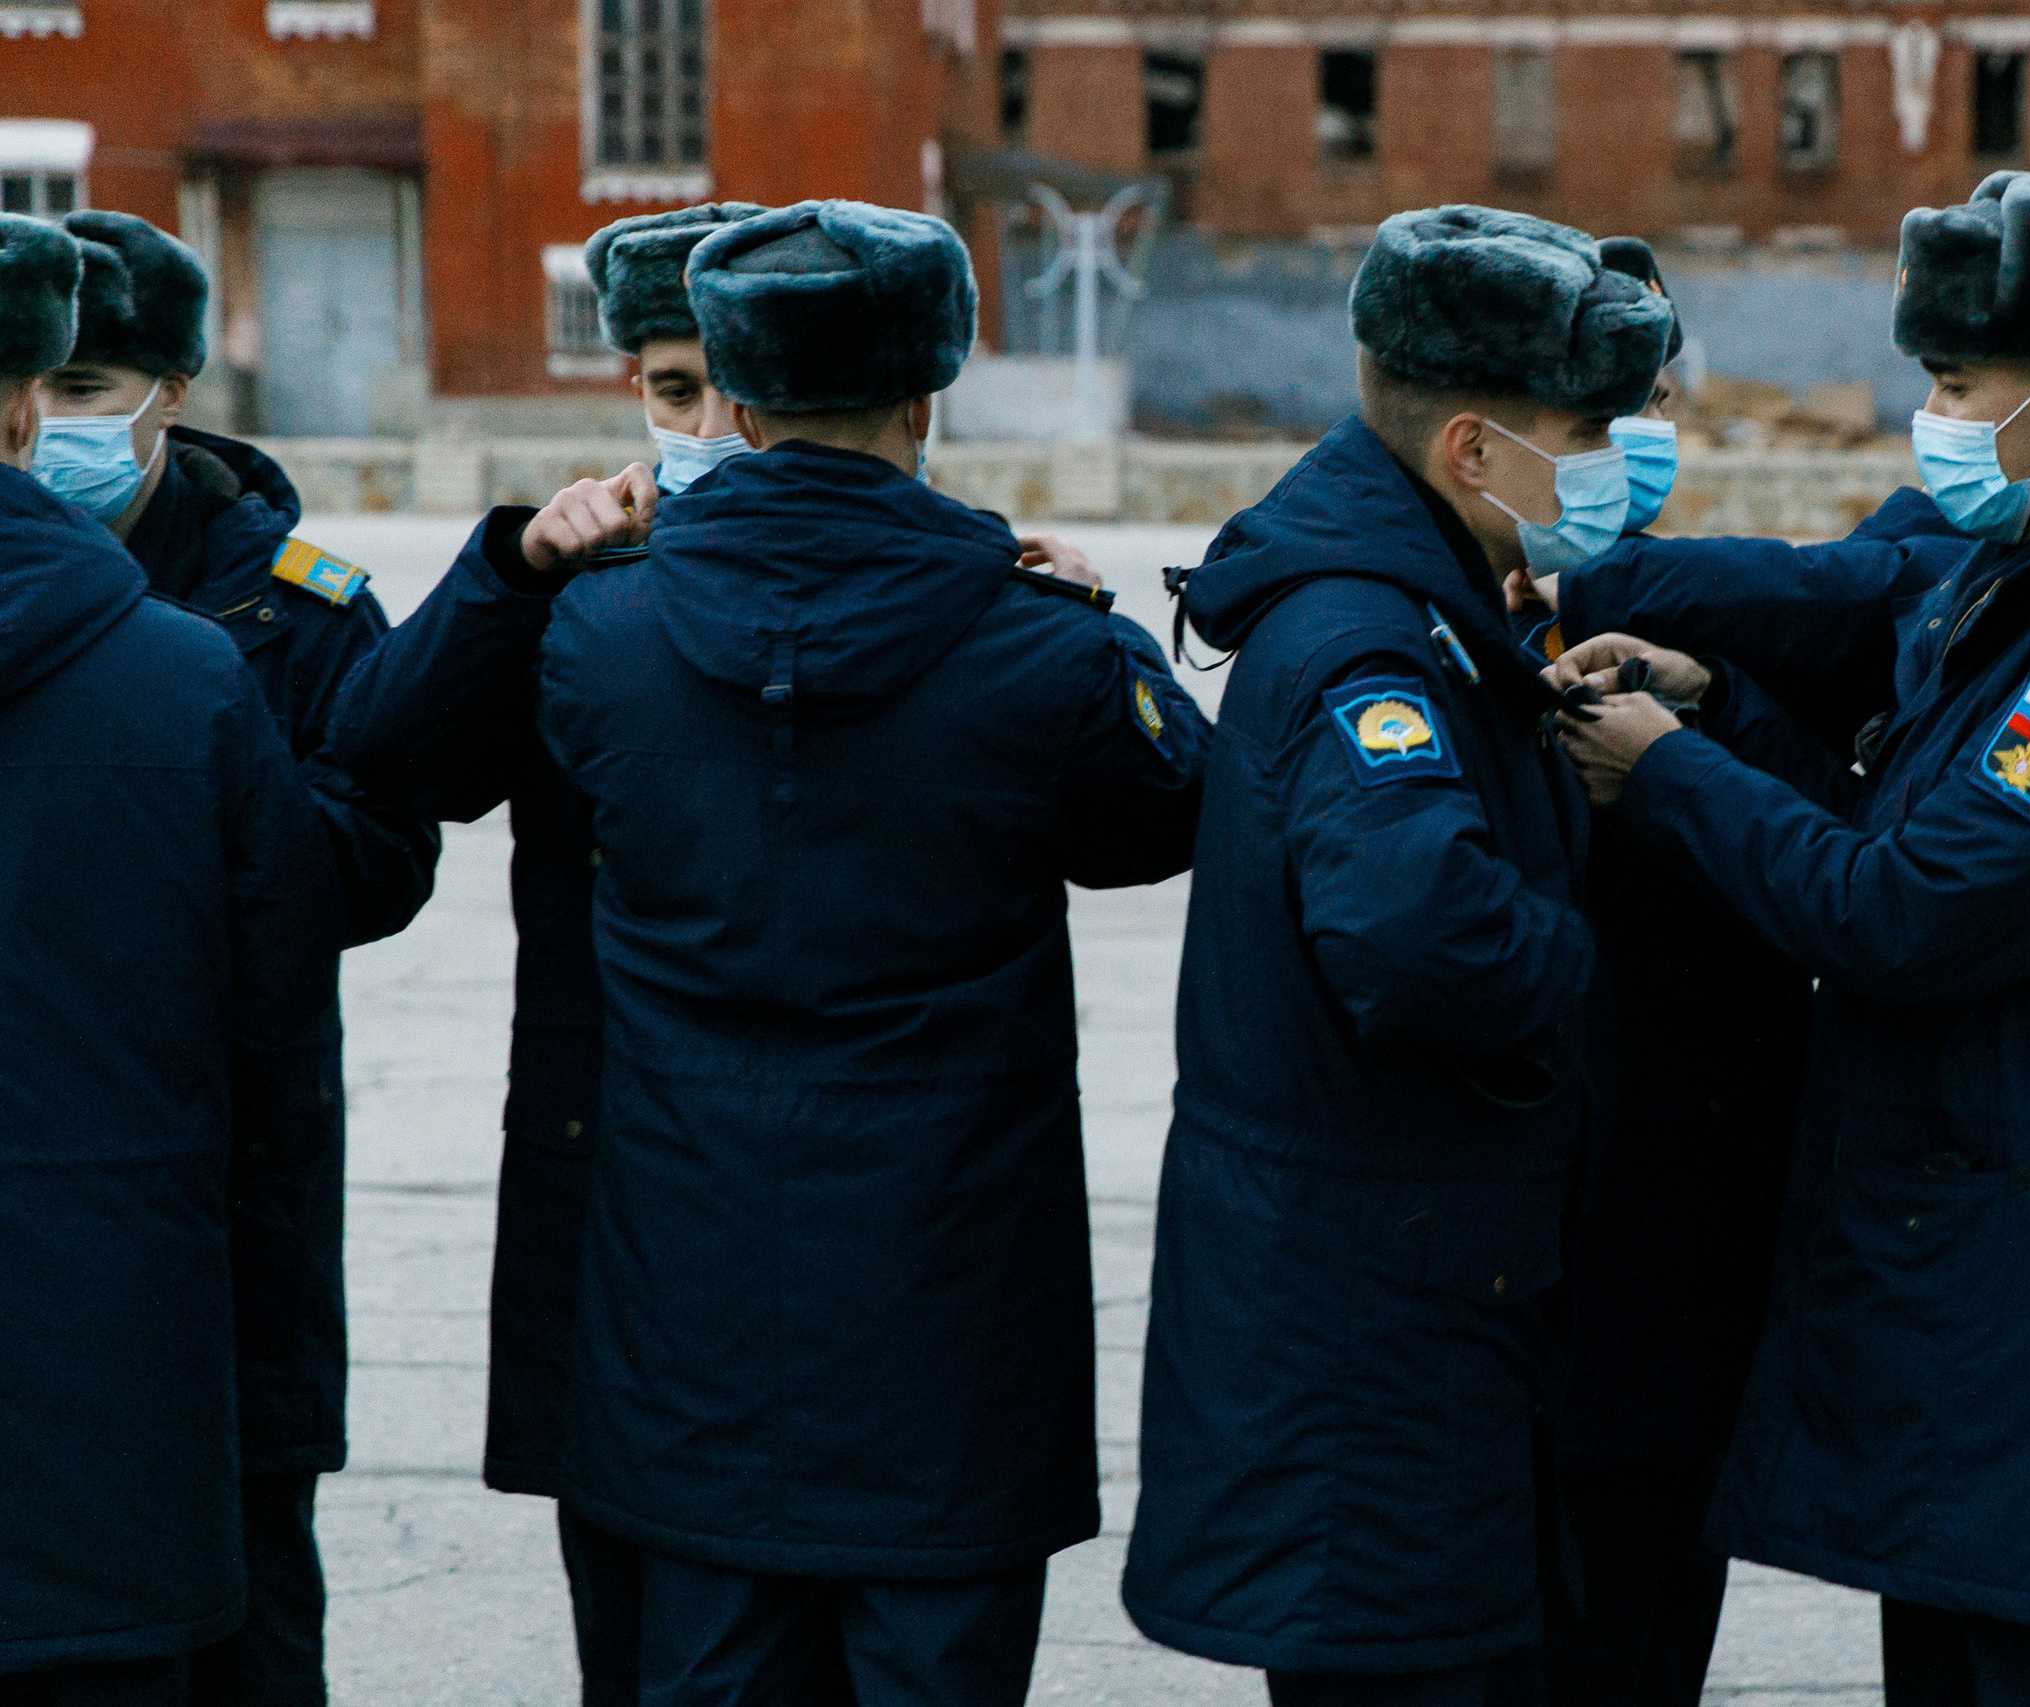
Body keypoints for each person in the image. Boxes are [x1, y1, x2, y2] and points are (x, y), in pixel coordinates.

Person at [1546, 172, 2030, 1706]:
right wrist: (1721, 705)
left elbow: (1904, 906)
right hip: (1982, 1260)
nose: (1935, 418)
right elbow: (1889, 784)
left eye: (1958, 384)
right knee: (1970, 1650)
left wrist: (1667, 771)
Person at [531, 197, 1210, 1707]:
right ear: (925, 394)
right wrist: (1109, 628)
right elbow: (1170, 816)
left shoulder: (601, 637)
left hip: (683, 1312)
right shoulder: (1043, 650)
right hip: (951, 1324)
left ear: (742, 397)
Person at [1120, 205, 1673, 1707]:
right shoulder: (1369, 644)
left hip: (1399, 1290)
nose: (1615, 458)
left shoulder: (1421, 601)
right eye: (1587, 429)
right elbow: (1421, 936)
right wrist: (1588, 961)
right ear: (1475, 452)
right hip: (1372, 1328)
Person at [325, 201, 767, 1700]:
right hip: (609, 1160)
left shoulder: (925, 577)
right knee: (627, 1609)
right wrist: (511, 573)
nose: (708, 425)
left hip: (811, 1179)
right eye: (669, 389)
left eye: (732, 383)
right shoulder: (575, 576)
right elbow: (389, 754)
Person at [28, 209, 439, 1707]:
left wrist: (198, 819)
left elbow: (383, 860)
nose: (59, 424)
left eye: (96, 390)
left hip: (234, 1170)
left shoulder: (293, 603)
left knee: (247, 1596)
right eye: (43, 385)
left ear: (176, 392)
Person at [1523, 235, 1819, 1707]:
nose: (1628, 446)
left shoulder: (1704, 617)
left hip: (1691, 1228)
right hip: (1538, 1247)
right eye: (1590, 418)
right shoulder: (1420, 615)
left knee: (1650, 1610)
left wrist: (1706, 721)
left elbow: (1824, 843)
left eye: (1649, 410)